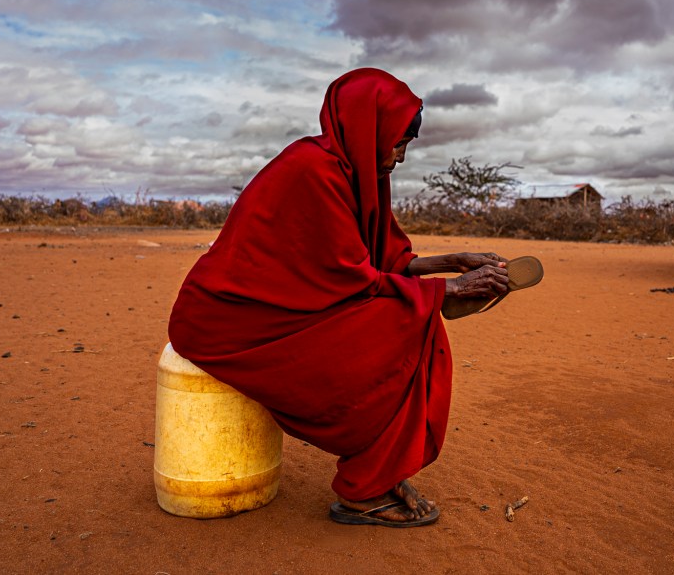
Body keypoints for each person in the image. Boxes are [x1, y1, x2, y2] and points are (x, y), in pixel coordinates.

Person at [168, 68, 510, 527]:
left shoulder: (356, 172)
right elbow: (349, 279)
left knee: (415, 318)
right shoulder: (312, 169)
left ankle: (378, 473)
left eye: (406, 144)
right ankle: (366, 490)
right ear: (369, 129)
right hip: (230, 321)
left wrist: (450, 262)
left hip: (284, 310)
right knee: (401, 326)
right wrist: (447, 291)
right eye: (397, 142)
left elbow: (375, 258)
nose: (400, 156)